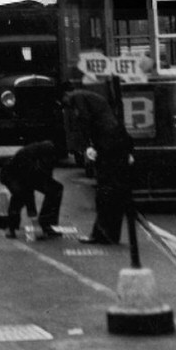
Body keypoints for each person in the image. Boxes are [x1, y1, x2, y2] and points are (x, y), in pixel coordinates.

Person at [64, 77, 133, 245]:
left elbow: (84, 121)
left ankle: (100, 234)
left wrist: (87, 146)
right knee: (115, 190)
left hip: (107, 144)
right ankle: (111, 235)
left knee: (104, 191)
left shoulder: (76, 98)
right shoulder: (91, 98)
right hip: (117, 142)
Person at [1, 139, 64, 240]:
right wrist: (35, 223)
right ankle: (11, 227)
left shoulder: (50, 156)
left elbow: (48, 176)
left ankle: (46, 224)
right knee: (19, 194)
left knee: (55, 189)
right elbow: (28, 192)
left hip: (34, 175)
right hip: (12, 175)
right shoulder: (26, 157)